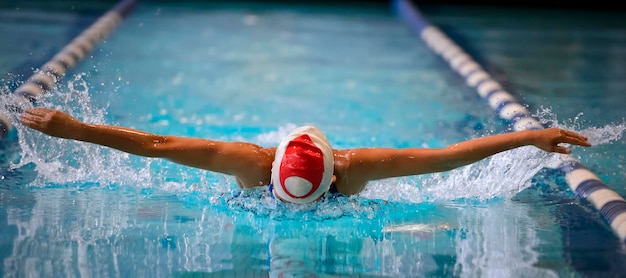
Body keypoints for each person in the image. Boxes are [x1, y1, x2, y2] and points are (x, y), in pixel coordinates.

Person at [19, 107, 591, 204]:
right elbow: (445, 158)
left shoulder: (246, 161)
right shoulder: (358, 166)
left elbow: (154, 146)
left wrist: (73, 130)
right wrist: (525, 136)